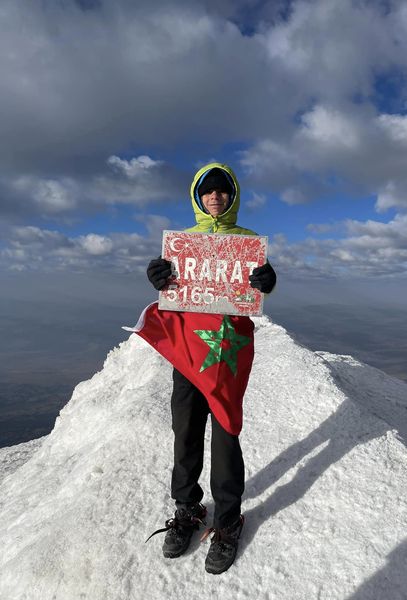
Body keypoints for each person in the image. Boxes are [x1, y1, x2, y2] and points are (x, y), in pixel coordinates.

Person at [146, 163, 276, 574]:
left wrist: (267, 281)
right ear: (197, 196)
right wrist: (159, 276)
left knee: (225, 434)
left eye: (222, 190)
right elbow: (175, 291)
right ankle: (187, 508)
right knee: (184, 430)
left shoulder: (249, 242)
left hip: (228, 355)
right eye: (208, 190)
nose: (215, 196)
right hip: (188, 353)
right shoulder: (183, 243)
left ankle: (228, 519)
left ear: (232, 196)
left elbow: (254, 290)